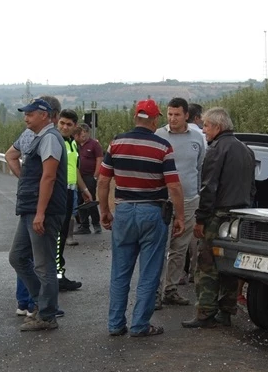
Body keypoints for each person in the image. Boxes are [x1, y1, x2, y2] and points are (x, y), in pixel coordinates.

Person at [97, 99, 185, 338]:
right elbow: (174, 186)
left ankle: (115, 324)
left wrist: (104, 210)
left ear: (135, 117)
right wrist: (180, 217)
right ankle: (140, 325)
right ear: (156, 120)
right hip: (152, 212)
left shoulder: (116, 143)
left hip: (124, 212)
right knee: (149, 271)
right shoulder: (163, 147)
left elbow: (103, 180)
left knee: (120, 271)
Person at [183, 107, 255, 329]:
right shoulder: (246, 150)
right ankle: (226, 311)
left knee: (206, 264)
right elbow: (252, 188)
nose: (203, 130)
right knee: (230, 264)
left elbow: (209, 187)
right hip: (240, 216)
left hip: (219, 215)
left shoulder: (216, 150)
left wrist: (201, 219)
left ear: (217, 126)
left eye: (206, 126)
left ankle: (205, 312)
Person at [6, 97, 67, 332]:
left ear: (44, 115)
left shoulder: (50, 139)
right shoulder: (39, 138)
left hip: (43, 211)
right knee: (18, 257)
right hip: (31, 208)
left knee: (44, 265)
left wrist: (41, 212)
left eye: (30, 114)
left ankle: (47, 314)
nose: (26, 117)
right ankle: (42, 304)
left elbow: (49, 177)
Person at [155, 98, 206, 308]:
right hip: (163, 201)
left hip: (189, 200)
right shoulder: (159, 135)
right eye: (169, 114)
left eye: (177, 114)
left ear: (186, 115)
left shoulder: (197, 138)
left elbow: (199, 167)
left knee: (179, 248)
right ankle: (153, 293)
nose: (172, 118)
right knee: (158, 247)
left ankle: (170, 289)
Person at [55, 110, 92, 291]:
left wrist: (84, 189)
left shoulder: (73, 144)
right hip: (57, 192)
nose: (64, 127)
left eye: (69, 124)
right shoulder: (54, 141)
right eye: (62, 123)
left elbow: (75, 170)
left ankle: (59, 275)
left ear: (75, 126)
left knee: (61, 236)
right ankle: (54, 277)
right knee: (55, 236)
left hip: (70, 192)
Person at [72, 123, 103, 234]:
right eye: (81, 132)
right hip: (78, 178)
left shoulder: (94, 145)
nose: (83, 134)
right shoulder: (75, 145)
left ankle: (96, 224)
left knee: (90, 200)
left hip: (90, 177)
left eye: (85, 132)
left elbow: (99, 159)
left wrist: (95, 176)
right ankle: (84, 225)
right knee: (80, 201)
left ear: (88, 133)